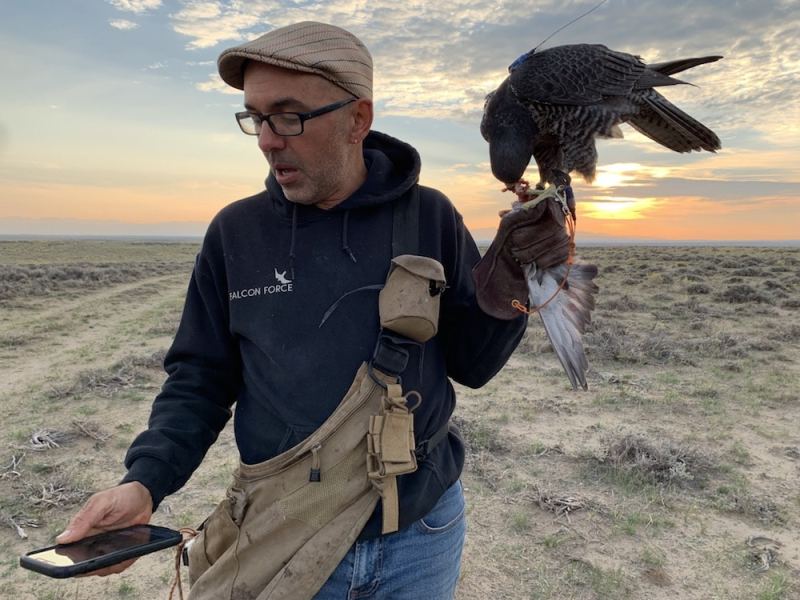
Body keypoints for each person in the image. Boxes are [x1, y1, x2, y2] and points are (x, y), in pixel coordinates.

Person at [58, 21, 570, 599]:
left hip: (421, 535)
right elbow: (199, 379)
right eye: (255, 117)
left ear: (358, 119)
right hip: (285, 531)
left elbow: (473, 365)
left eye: (289, 116)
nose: (267, 140)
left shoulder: (429, 216)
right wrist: (145, 482)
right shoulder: (237, 233)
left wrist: (513, 280)